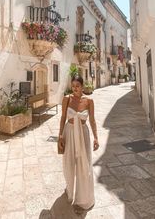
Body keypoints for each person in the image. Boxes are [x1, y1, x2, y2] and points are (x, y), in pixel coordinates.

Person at [58, 74, 99, 214]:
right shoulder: (67, 99)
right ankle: (70, 189)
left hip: (83, 134)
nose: (75, 88)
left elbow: (92, 120)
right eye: (73, 86)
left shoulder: (89, 101)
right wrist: (59, 136)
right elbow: (63, 117)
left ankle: (83, 198)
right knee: (68, 163)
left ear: (82, 86)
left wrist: (96, 138)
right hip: (69, 133)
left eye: (78, 86)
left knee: (84, 165)